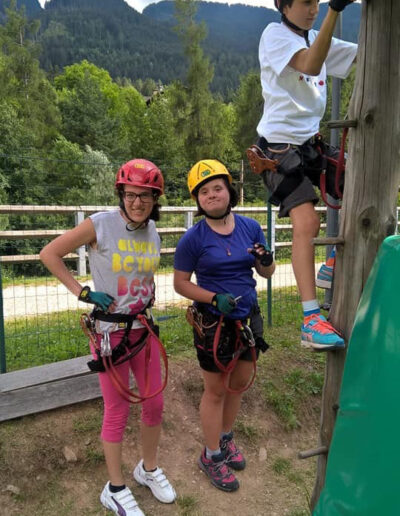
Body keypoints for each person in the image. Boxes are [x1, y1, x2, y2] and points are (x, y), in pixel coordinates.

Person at [40, 159, 176, 516]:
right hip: (111, 335)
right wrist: (82, 293)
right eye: (131, 195)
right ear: (121, 194)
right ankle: (114, 488)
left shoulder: (152, 233)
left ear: (155, 199)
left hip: (143, 331)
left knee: (154, 404)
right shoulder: (100, 224)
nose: (137, 202)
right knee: (117, 410)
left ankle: (147, 469)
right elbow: (50, 254)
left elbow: (142, 279)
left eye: (146, 196)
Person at [252, 0, 358, 350]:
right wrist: (336, 11)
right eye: (305, 2)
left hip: (308, 144)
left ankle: (332, 262)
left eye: (317, 1)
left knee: (354, 182)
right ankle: (311, 318)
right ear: (282, 5)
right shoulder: (275, 35)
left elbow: (363, 55)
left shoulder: (316, 36)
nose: (313, 8)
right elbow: (312, 63)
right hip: (278, 148)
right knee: (307, 222)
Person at [173, 159, 275, 492]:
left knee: (239, 384)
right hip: (214, 324)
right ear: (198, 200)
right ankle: (212, 454)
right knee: (216, 390)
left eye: (217, 187)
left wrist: (266, 260)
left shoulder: (250, 227)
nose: (212, 195)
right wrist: (213, 297)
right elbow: (180, 284)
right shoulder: (193, 239)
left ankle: (226, 437)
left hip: (247, 317)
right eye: (204, 191)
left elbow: (266, 274)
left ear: (229, 191)